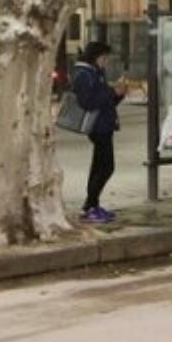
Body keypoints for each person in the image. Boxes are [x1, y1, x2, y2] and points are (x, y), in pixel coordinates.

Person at [73, 41, 128, 223]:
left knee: (99, 166)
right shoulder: (84, 74)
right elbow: (88, 101)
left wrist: (119, 94)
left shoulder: (96, 72)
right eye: (104, 58)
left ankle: (92, 205)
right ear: (95, 57)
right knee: (106, 167)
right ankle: (89, 206)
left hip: (105, 124)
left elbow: (107, 102)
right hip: (97, 127)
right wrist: (112, 91)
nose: (106, 61)